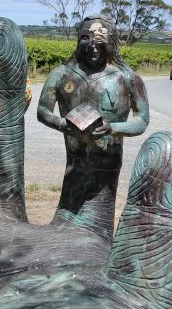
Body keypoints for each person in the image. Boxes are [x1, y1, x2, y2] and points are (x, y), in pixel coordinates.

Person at [37, 14, 149, 240]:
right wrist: (62, 124)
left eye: (99, 41)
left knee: (98, 222)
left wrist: (113, 128)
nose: (92, 47)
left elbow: (142, 120)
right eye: (85, 39)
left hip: (107, 165)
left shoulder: (127, 78)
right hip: (75, 161)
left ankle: (98, 240)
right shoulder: (62, 74)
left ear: (111, 43)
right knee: (68, 216)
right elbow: (42, 110)